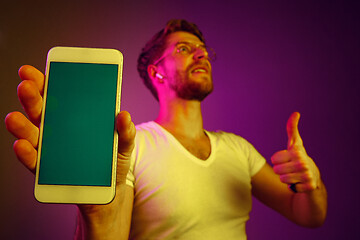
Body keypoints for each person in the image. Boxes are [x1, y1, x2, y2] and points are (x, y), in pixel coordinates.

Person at [5, 19, 327, 239]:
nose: (202, 53)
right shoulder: (129, 147)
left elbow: (308, 215)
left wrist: (311, 184)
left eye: (203, 49)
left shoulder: (238, 148)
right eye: (184, 48)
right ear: (156, 72)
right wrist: (96, 217)